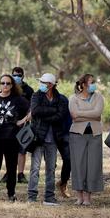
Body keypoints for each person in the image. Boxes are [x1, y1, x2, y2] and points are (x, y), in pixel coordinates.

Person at [0, 74, 29, 201]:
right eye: (3, 83)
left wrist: (22, 121)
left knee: (11, 167)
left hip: (11, 139)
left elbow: (32, 109)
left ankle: (11, 193)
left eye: (8, 83)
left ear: (12, 85)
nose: (5, 85)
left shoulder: (18, 99)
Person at [27, 73, 68, 206]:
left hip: (54, 139)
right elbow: (35, 110)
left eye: (44, 82)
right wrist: (52, 111)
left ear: (50, 85)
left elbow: (61, 115)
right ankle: (31, 196)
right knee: (35, 168)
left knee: (51, 168)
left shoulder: (61, 99)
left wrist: (44, 115)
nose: (41, 84)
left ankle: (49, 197)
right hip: (38, 138)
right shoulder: (36, 95)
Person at [69, 74, 105, 205]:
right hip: (77, 135)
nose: (94, 84)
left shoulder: (99, 97)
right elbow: (73, 114)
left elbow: (98, 113)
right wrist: (91, 115)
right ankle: (79, 196)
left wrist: (80, 114)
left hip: (95, 134)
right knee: (78, 165)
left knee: (93, 165)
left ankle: (88, 197)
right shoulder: (73, 98)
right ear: (83, 85)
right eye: (92, 82)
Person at [8, 66, 34, 184]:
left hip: (24, 124)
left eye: (19, 75)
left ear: (23, 76)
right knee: (10, 150)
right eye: (14, 75)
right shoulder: (8, 87)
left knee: (22, 150)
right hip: (9, 124)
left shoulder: (28, 90)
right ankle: (9, 173)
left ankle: (20, 174)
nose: (16, 77)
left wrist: (27, 119)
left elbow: (32, 107)